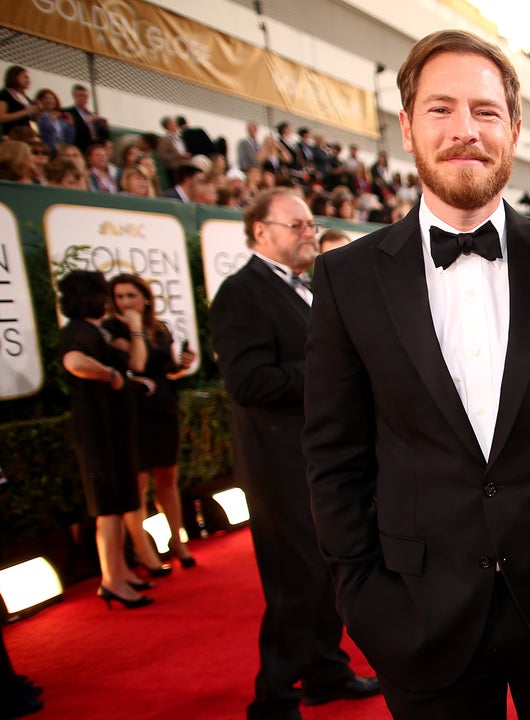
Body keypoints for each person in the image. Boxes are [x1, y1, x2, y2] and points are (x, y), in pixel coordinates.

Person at [302, 29, 530, 719]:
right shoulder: (347, 278)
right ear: (407, 126)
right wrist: (363, 598)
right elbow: (332, 458)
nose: (465, 129)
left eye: (485, 110)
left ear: (514, 129)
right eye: (440, 108)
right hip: (417, 617)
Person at [210, 188, 379, 720]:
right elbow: (248, 382)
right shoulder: (241, 293)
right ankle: (274, 697)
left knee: (327, 570)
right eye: (298, 225)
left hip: (320, 459)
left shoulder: (306, 287)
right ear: (261, 232)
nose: (310, 232)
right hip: (279, 466)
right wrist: (334, 372)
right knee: (295, 580)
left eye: (311, 224)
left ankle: (325, 672)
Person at [56, 270, 155, 610]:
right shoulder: (78, 331)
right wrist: (109, 374)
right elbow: (74, 361)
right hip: (97, 433)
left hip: (111, 431)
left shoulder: (96, 330)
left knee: (117, 504)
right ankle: (112, 581)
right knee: (109, 509)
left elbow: (135, 363)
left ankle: (121, 571)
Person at [105, 274, 199, 569]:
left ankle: (177, 542)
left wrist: (182, 366)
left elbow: (167, 370)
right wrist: (135, 329)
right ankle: (145, 552)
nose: (125, 302)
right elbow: (137, 364)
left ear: (145, 298)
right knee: (140, 483)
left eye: (130, 295)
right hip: (134, 413)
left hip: (164, 408)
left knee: (168, 478)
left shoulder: (160, 328)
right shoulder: (113, 330)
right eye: (119, 297)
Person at [64, 84, 108, 153]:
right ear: (74, 96)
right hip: (78, 149)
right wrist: (86, 122)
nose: (83, 98)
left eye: (85, 96)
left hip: (94, 150)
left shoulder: (93, 115)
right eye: (80, 95)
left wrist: (104, 127)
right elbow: (70, 133)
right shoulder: (68, 112)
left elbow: (104, 136)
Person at [1, 66, 39, 136]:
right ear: (15, 77)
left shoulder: (26, 98)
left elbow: (32, 120)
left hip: (27, 135)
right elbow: (2, 117)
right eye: (25, 77)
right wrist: (26, 111)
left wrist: (37, 111)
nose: (28, 81)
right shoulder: (5, 94)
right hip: (11, 136)